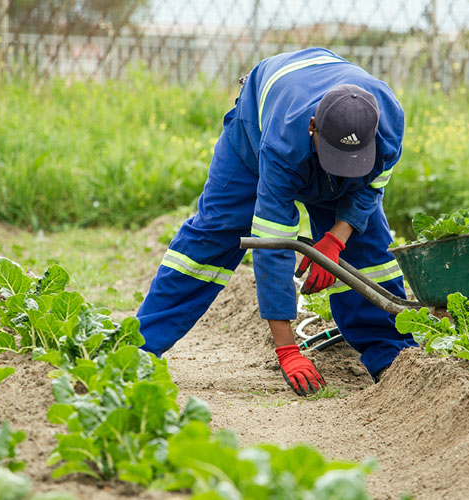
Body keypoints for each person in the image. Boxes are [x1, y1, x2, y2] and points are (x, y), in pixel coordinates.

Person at [137, 47, 417, 396]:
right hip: (257, 127)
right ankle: (140, 348)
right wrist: (286, 347)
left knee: (366, 249)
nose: (340, 172)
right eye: (334, 160)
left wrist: (336, 239)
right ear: (313, 128)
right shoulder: (284, 142)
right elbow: (274, 246)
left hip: (324, 118)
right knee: (216, 232)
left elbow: (370, 189)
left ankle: (392, 356)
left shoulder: (388, 126)